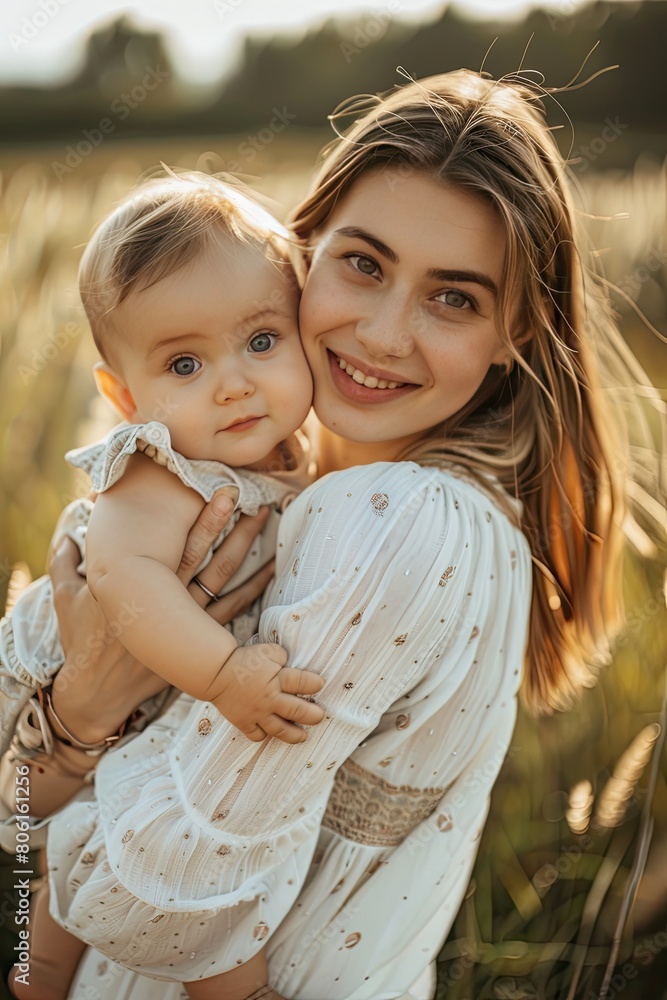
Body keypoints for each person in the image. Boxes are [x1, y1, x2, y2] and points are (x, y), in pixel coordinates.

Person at [4, 68, 663, 1000]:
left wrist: (72, 761)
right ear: (300, 254)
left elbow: (137, 882)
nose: (386, 335)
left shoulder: (398, 522)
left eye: (455, 298)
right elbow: (22, 802)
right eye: (363, 263)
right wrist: (77, 723)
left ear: (516, 329)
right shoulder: (272, 493)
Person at [2, 172, 328, 1000]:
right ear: (125, 398)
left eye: (261, 341)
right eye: (185, 362)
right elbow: (122, 576)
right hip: (47, 695)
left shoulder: (278, 455)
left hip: (136, 720)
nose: (232, 382)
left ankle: (39, 973)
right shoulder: (163, 469)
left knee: (104, 840)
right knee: (185, 848)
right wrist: (222, 675)